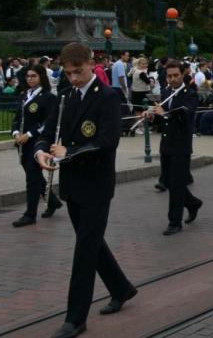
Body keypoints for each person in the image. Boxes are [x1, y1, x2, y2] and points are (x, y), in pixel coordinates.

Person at [34, 43, 137, 338]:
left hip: (96, 186)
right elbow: (47, 130)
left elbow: (107, 142)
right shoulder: (65, 96)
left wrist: (69, 151)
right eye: (68, 73)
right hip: (72, 186)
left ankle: (75, 318)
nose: (73, 78)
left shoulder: (108, 97)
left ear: (91, 64)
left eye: (78, 72)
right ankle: (121, 288)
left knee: (83, 252)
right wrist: (40, 151)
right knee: (91, 243)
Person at [144, 60, 203, 235]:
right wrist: (152, 116)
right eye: (169, 76)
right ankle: (193, 203)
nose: (172, 79)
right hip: (166, 145)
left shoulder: (190, 94)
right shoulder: (166, 92)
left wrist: (166, 115)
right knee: (169, 182)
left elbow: (185, 117)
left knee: (177, 185)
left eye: (176, 75)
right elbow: (163, 118)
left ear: (182, 74)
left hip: (181, 146)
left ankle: (174, 222)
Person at [11, 64, 62, 226]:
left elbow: (48, 122)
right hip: (22, 143)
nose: (30, 79)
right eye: (28, 76)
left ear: (41, 77)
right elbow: (17, 118)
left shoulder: (48, 97)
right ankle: (53, 202)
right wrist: (16, 133)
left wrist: (29, 134)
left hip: (38, 143)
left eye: (33, 76)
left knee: (32, 178)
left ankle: (30, 214)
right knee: (34, 175)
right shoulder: (24, 95)